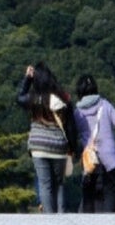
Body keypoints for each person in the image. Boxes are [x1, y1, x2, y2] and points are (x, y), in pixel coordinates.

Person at [17, 62, 79, 215]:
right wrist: (72, 147)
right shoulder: (63, 98)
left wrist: (27, 79)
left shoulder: (34, 98)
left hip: (38, 146)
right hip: (59, 147)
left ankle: (49, 220)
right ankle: (61, 216)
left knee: (45, 184)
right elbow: (70, 126)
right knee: (59, 183)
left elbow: (19, 98)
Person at [73, 73, 115, 214]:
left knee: (88, 192)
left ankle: (89, 221)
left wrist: (71, 152)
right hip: (109, 155)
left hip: (90, 159)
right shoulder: (105, 105)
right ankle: (109, 221)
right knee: (110, 190)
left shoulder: (77, 113)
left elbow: (71, 135)